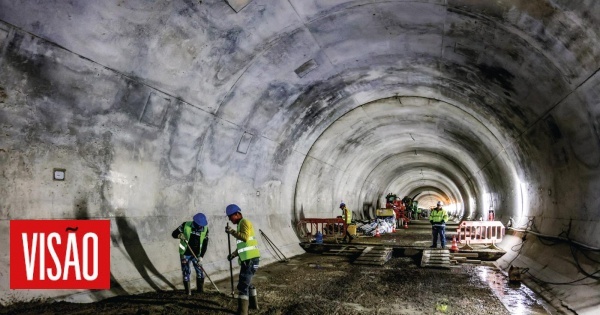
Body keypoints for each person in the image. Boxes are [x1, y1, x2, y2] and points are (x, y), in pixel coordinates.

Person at [225, 204, 260, 315]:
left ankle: (242, 312)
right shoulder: (240, 224)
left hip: (250, 260)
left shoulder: (244, 222)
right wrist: (234, 254)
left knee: (243, 286)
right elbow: (243, 245)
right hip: (250, 259)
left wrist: (232, 232)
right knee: (247, 283)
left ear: (237, 214)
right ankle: (254, 305)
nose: (230, 219)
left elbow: (244, 237)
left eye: (231, 217)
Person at [171, 212, 209, 295]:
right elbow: (174, 234)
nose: (200, 227)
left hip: (197, 255)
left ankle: (200, 292)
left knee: (200, 271)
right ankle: (188, 293)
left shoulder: (205, 229)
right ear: (194, 222)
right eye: (199, 225)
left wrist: (201, 257)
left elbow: (205, 244)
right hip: (185, 253)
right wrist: (179, 235)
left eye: (202, 225)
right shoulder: (185, 225)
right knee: (186, 272)